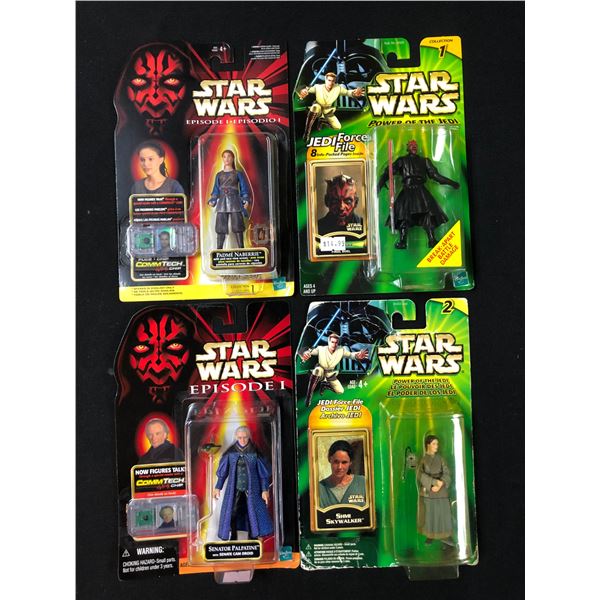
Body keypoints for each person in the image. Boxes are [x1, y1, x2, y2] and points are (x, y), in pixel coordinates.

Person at [377, 139, 459, 249]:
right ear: (407, 148)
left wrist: (452, 183)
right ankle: (402, 241)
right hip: (407, 190)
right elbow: (389, 172)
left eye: (415, 145)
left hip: (421, 191)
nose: (414, 146)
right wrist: (379, 185)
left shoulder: (425, 161)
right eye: (411, 145)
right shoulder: (402, 160)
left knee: (428, 214)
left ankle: (432, 239)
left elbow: (435, 176)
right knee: (403, 215)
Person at [213, 426, 273, 541]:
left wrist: (265, 490)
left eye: (245, 437)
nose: (243, 440)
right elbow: (223, 472)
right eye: (240, 437)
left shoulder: (255, 453)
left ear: (248, 437)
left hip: (253, 490)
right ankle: (233, 536)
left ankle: (253, 536)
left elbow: (263, 474)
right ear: (236, 437)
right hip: (234, 489)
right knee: (232, 512)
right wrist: (217, 487)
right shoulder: (231, 453)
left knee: (251, 513)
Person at [301, 333, 368, 406]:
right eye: (332, 342)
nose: (334, 344)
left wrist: (357, 355)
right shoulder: (321, 349)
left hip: (330, 374)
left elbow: (351, 355)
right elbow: (309, 351)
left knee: (340, 391)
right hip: (321, 370)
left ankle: (326, 385)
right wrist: (305, 353)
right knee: (317, 370)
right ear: (329, 342)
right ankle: (308, 398)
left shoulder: (341, 350)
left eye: (336, 342)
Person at [298, 72, 364, 142]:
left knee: (337, 127)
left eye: (333, 81)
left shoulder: (338, 88)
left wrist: (354, 93)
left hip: (327, 110)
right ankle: (307, 132)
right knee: (315, 107)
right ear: (325, 80)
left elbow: (347, 92)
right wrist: (303, 90)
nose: (331, 83)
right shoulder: (318, 87)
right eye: (329, 80)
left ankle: (322, 121)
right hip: (318, 106)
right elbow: (307, 89)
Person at [208, 150, 251, 250]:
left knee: (238, 225)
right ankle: (219, 249)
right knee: (220, 227)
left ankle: (241, 248)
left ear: (233, 158)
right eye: (224, 156)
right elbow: (216, 189)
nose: (227, 159)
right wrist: (213, 200)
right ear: (222, 159)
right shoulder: (219, 175)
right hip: (222, 202)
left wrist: (245, 200)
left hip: (235, 201)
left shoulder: (238, 173)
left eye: (229, 156)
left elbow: (244, 188)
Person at [417, 435, 454, 548]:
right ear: (428, 445)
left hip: (441, 490)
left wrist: (441, 483)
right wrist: (433, 482)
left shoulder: (441, 459)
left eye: (437, 444)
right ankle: (430, 535)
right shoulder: (423, 460)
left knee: (443, 514)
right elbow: (420, 475)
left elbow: (447, 473)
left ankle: (445, 537)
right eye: (434, 444)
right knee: (430, 514)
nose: (436, 446)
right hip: (429, 491)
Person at [318, 440, 366, 508]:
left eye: (344, 462)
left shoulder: (363, 483)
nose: (340, 467)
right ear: (329, 459)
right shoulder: (319, 489)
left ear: (350, 462)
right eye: (336, 462)